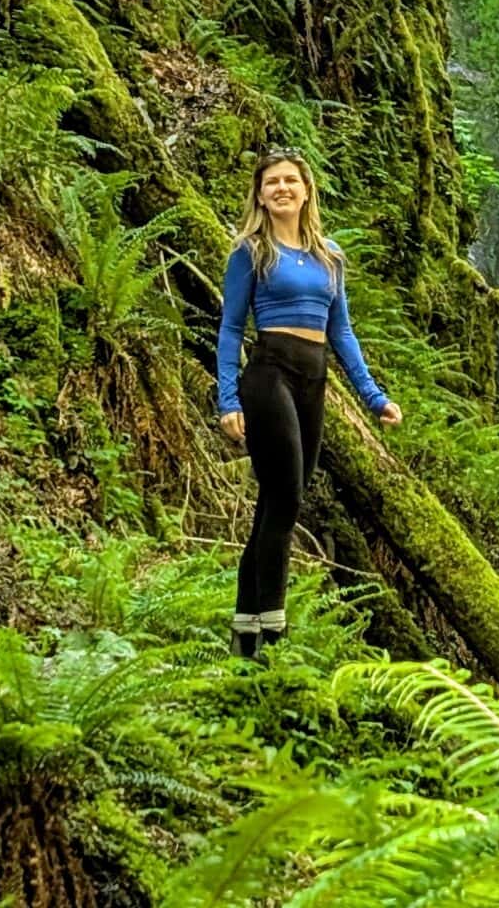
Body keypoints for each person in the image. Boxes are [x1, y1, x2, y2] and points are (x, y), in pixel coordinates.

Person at [213, 147, 401, 657]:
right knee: (288, 494)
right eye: (271, 182)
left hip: (313, 379)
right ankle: (272, 627)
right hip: (269, 371)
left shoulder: (329, 256)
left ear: (306, 190)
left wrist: (374, 397)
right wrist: (227, 399)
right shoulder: (251, 252)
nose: (281, 188)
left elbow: (342, 332)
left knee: (277, 500)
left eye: (290, 180)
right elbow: (230, 329)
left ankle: (244, 630)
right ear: (260, 194)